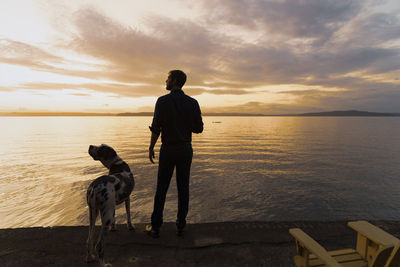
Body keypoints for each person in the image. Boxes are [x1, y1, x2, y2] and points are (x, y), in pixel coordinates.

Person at [146, 70, 203, 237]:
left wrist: (151, 147)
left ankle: (156, 226)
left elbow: (156, 127)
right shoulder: (192, 102)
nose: (166, 80)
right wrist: (185, 123)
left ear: (175, 81)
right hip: (185, 149)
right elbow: (198, 128)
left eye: (168, 78)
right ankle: (181, 225)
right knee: (183, 187)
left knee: (162, 188)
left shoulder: (162, 101)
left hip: (168, 149)